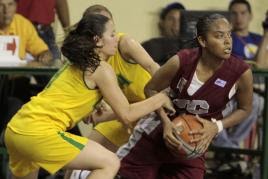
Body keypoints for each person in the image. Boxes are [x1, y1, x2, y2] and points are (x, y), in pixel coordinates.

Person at [4, 13, 173, 179]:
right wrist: (161, 98)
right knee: (110, 162)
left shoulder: (74, 63)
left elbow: (78, 107)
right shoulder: (101, 68)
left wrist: (94, 110)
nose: (117, 38)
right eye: (112, 34)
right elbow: (127, 115)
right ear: (97, 40)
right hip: (39, 133)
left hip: (16, 129)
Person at [116, 13, 253, 179]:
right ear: (203, 41)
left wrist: (216, 127)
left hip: (192, 143)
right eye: (219, 36)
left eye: (229, 35)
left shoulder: (241, 72)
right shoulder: (181, 61)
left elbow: (245, 109)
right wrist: (166, 122)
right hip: (155, 134)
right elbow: (150, 89)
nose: (227, 41)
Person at [212, 0, 267, 149]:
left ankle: (230, 150)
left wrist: (266, 33)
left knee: (257, 101)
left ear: (250, 16)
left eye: (243, 13)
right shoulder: (225, 39)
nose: (239, 17)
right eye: (234, 13)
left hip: (260, 91)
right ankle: (232, 150)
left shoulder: (259, 39)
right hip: (231, 92)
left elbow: (261, 67)